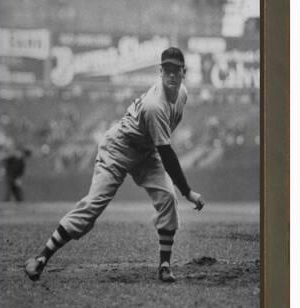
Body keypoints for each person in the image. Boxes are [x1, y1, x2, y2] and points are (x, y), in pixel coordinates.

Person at [24, 47, 205, 283]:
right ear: (160, 72)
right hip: (118, 148)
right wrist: (188, 191)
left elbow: (162, 146)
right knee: (92, 206)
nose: (172, 75)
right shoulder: (155, 105)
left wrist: (180, 190)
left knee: (168, 199)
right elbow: (167, 153)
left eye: (176, 71)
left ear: (184, 72)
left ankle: (164, 264)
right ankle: (40, 258)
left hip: (146, 152)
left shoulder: (182, 94)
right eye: (167, 70)